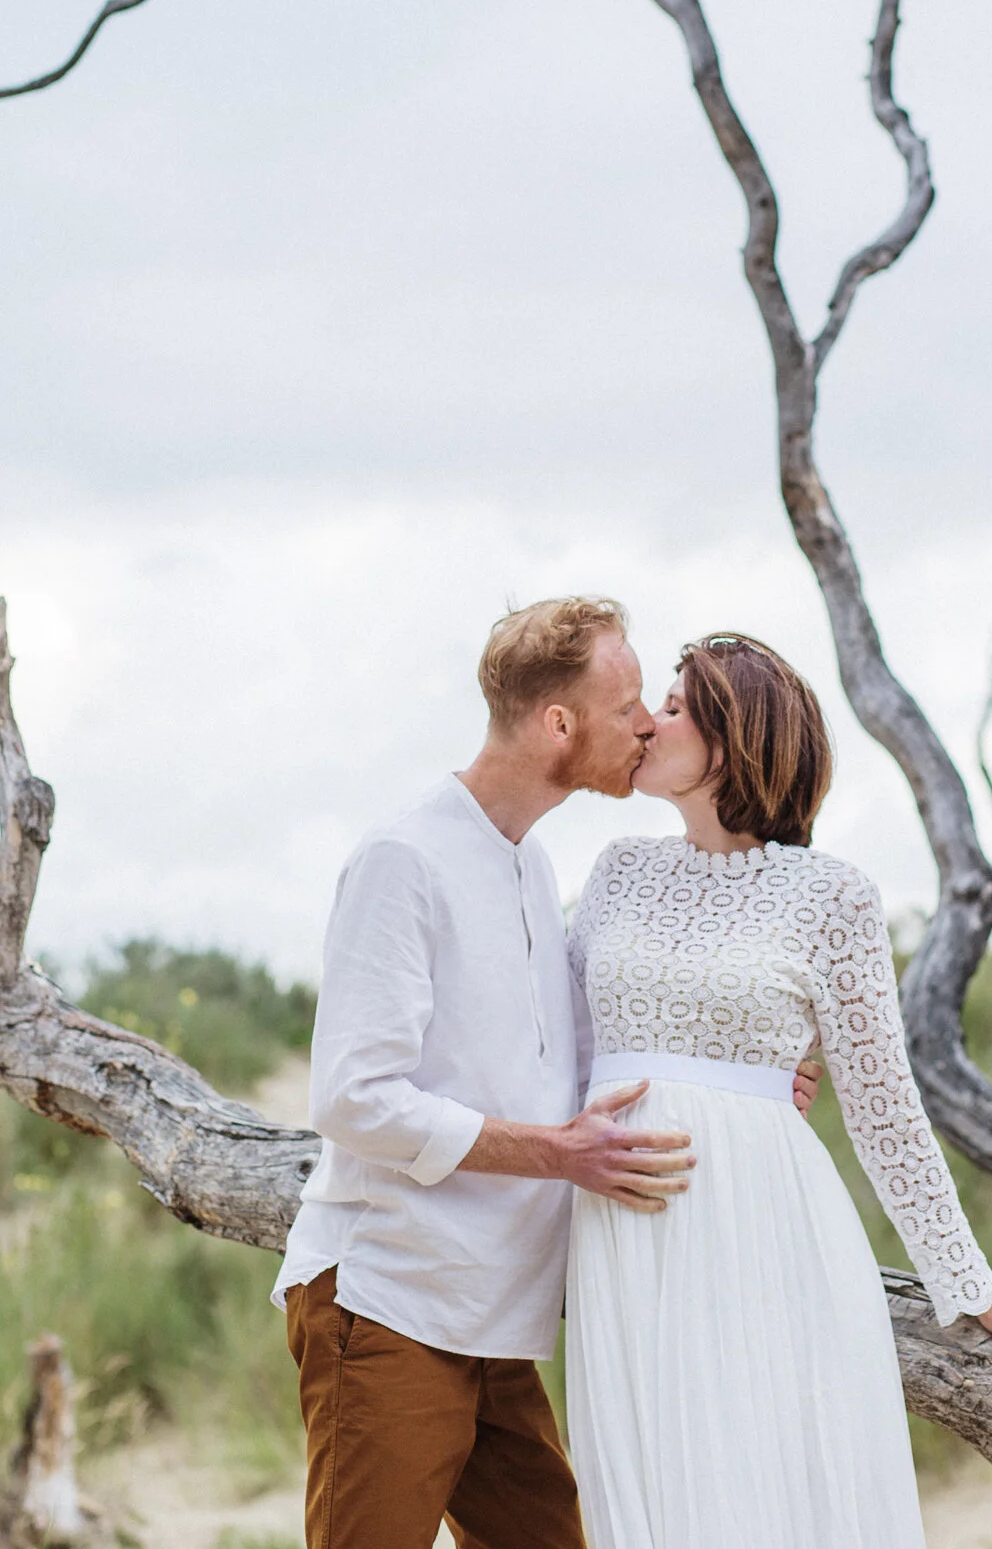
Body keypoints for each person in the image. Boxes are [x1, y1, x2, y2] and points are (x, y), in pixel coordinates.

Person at [272, 597, 818, 1549]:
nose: (646, 723)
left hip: (497, 1322)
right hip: (389, 1303)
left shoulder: (529, 865)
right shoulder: (404, 858)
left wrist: (738, 1076)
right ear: (557, 723)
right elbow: (353, 1098)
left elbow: (562, 1069)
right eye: (628, 705)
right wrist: (558, 1154)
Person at [566, 631, 992, 1549]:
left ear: (734, 739)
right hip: (620, 1223)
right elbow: (561, 1041)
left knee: (765, 1476)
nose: (648, 723)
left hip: (761, 1225)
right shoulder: (617, 870)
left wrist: (973, 1290)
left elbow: (886, 1110)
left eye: (676, 707)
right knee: (648, 1482)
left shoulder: (831, 897)